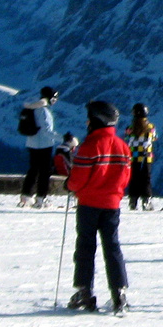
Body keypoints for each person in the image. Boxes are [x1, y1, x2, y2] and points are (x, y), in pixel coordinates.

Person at [64, 100, 132, 314]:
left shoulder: (90, 145)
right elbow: (125, 177)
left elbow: (78, 178)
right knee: (112, 247)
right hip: (112, 205)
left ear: (96, 121)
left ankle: (85, 291)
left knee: (85, 247)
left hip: (89, 204)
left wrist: (69, 185)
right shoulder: (123, 146)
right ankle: (119, 292)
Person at [19, 85, 60, 208]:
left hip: (32, 144)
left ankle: (26, 196)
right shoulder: (44, 111)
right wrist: (64, 139)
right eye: (55, 97)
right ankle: (41, 198)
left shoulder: (32, 108)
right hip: (45, 145)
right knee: (44, 173)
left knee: (33, 170)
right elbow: (47, 131)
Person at [125, 103, 157, 211]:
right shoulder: (150, 127)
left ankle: (133, 200)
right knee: (146, 178)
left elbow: (127, 139)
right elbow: (154, 138)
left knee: (134, 178)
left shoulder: (130, 128)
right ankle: (146, 199)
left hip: (133, 156)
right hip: (146, 157)